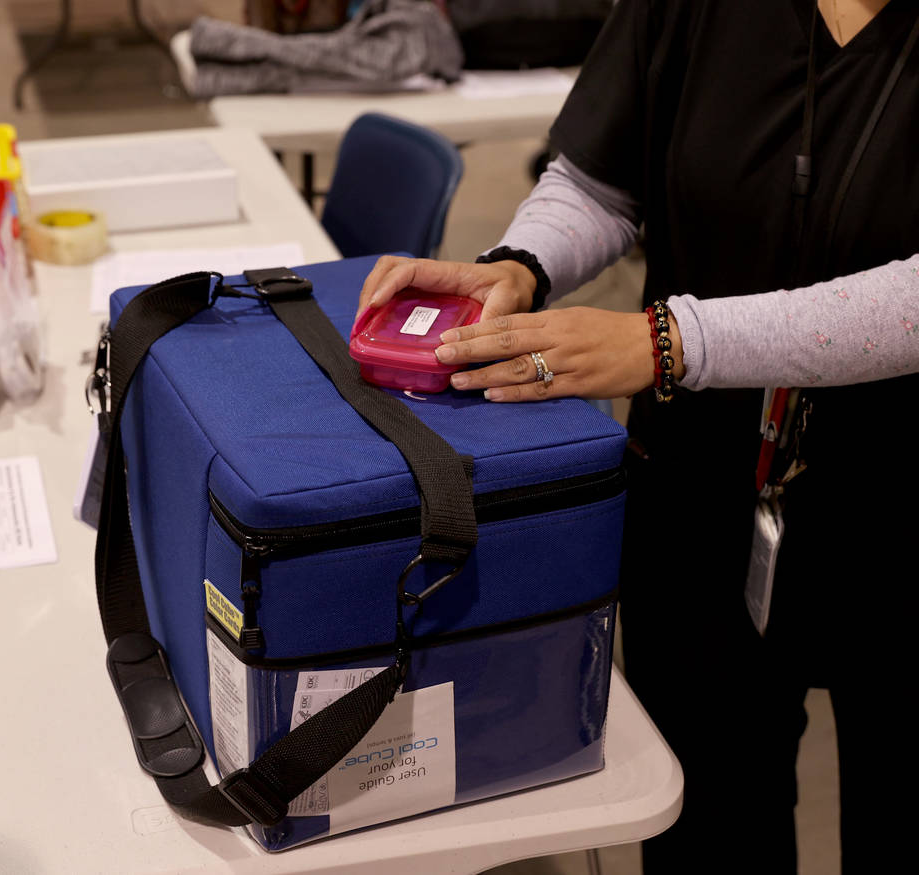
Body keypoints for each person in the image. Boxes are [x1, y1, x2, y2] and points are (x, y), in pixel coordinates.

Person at [355, 1, 919, 872]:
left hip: (896, 515)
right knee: (709, 821)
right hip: (700, 500)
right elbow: (601, 181)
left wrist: (668, 341)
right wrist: (521, 264)